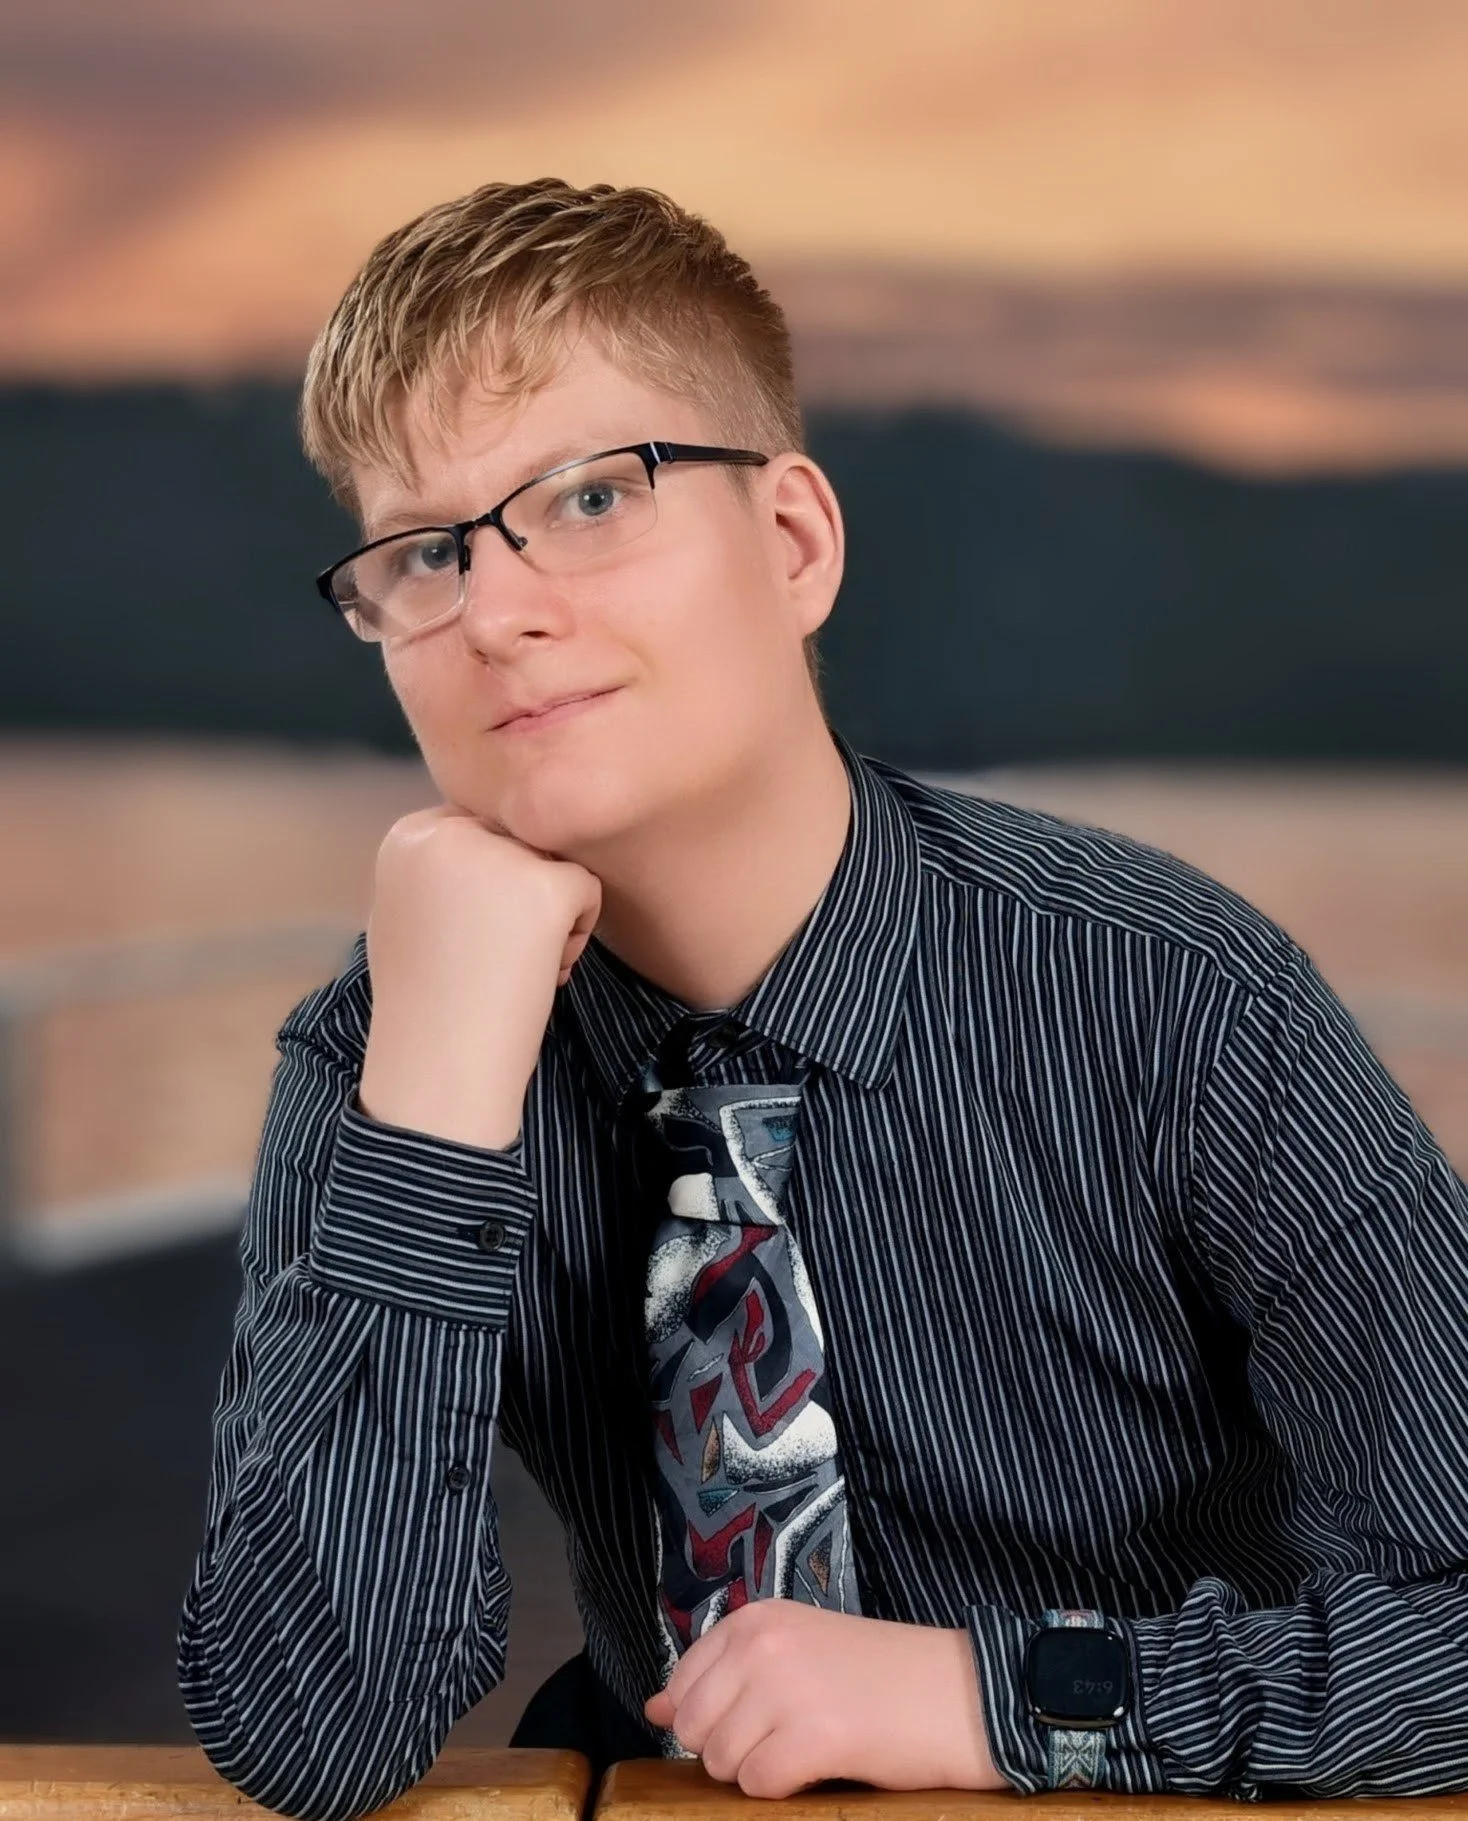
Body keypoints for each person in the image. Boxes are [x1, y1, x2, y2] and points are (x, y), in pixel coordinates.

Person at [177, 178, 1468, 1821]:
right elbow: (310, 1731)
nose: (497, 611)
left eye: (588, 499)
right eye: (426, 552)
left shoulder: (1172, 998)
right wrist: (432, 1104)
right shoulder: (386, 1056)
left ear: (791, 542)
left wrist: (998, 1701)